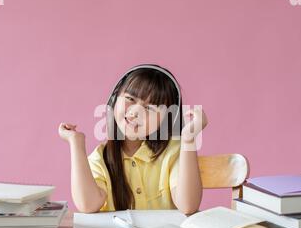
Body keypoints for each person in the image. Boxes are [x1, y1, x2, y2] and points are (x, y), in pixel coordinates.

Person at [59, 64, 207, 214]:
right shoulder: (101, 157)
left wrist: (188, 139)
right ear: (114, 100)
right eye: (130, 98)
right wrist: (76, 143)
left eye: (150, 108)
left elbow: (188, 205)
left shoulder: (173, 151)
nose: (136, 112)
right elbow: (88, 205)